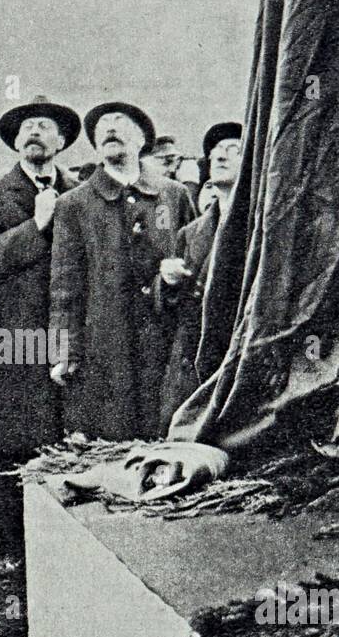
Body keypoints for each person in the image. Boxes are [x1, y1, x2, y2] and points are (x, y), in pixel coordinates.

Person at [0, 95, 80, 569]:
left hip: (67, 328)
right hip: (15, 335)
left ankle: (60, 542)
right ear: (15, 141)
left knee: (62, 434)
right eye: (26, 127)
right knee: (11, 438)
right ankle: (11, 547)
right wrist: (37, 225)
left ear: (61, 141)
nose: (34, 133)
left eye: (44, 126)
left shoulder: (82, 190)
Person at [49, 101, 196, 440]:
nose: (110, 128)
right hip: (106, 343)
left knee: (168, 432)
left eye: (120, 122)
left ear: (143, 139)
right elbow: (64, 285)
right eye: (102, 127)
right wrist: (63, 350)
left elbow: (196, 260)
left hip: (166, 339)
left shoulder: (174, 196)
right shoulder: (73, 204)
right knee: (111, 435)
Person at [157, 122, 243, 430]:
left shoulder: (263, 228)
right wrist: (166, 282)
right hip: (190, 367)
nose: (221, 156)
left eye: (234, 150)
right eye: (217, 151)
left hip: (236, 363)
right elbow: (171, 311)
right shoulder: (190, 232)